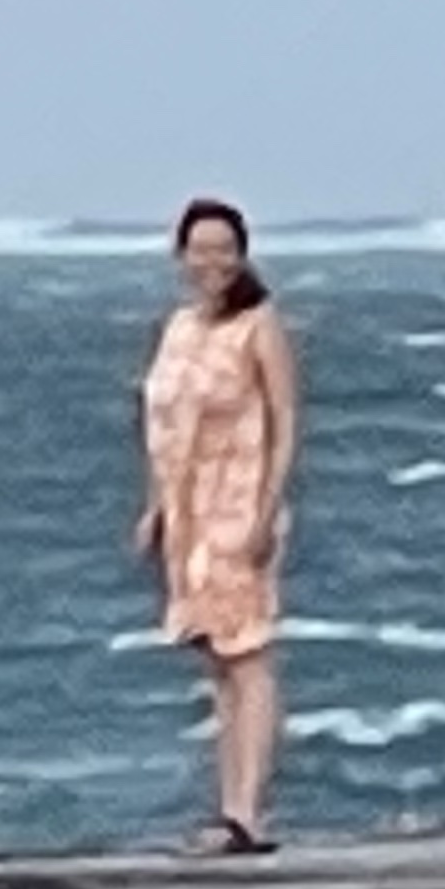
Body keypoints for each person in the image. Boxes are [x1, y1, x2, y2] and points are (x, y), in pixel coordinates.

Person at [136, 196, 297, 851]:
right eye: (201, 249)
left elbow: (285, 423)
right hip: (189, 513)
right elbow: (166, 426)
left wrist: (265, 511)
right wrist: (156, 505)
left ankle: (248, 813)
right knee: (216, 659)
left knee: (248, 654)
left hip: (238, 505)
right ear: (181, 255)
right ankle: (229, 804)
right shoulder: (179, 328)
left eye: (225, 249)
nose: (213, 262)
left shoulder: (258, 325)